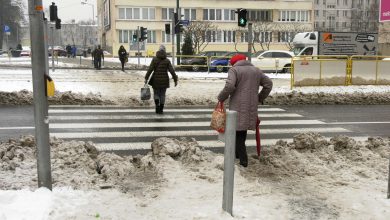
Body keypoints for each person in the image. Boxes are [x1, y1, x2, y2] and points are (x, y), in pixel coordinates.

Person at [217, 54, 273, 167]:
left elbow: (229, 86)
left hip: (237, 106)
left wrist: (221, 97)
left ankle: (243, 161)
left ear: (234, 63)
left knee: (237, 134)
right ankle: (237, 157)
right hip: (251, 106)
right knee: (241, 133)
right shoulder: (256, 70)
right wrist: (260, 98)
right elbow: (268, 84)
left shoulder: (234, 70)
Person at [145, 45, 178, 114]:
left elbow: (150, 69)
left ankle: (157, 106)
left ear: (158, 51)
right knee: (162, 94)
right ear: (165, 51)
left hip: (155, 80)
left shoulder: (154, 59)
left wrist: (146, 78)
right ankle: (161, 109)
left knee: (156, 93)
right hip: (164, 80)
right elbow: (172, 71)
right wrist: (175, 79)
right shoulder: (167, 60)